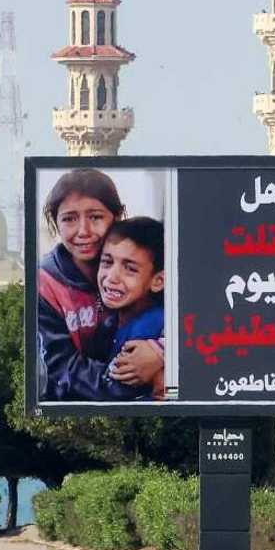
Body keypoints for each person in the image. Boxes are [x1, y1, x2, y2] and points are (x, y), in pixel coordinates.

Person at [37, 169, 163, 401]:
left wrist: (161, 355)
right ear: (55, 222)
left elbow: (190, 323)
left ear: (117, 217)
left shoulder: (140, 267)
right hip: (72, 414)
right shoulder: (45, 284)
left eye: (95, 217)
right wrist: (132, 381)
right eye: (69, 219)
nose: (83, 231)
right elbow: (62, 367)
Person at [97, 217, 166, 400]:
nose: (112, 277)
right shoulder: (111, 320)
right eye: (107, 262)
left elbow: (116, 392)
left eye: (130, 269)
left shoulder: (148, 326)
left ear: (158, 281)